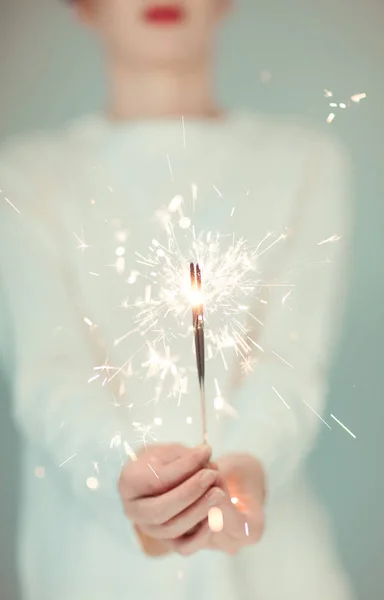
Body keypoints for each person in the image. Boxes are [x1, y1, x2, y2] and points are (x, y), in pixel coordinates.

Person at [0, 1, 354, 598]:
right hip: (94, 573)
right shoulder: (26, 176)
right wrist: (121, 475)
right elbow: (48, 373)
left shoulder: (307, 163)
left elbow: (290, 365)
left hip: (275, 569)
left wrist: (251, 461)